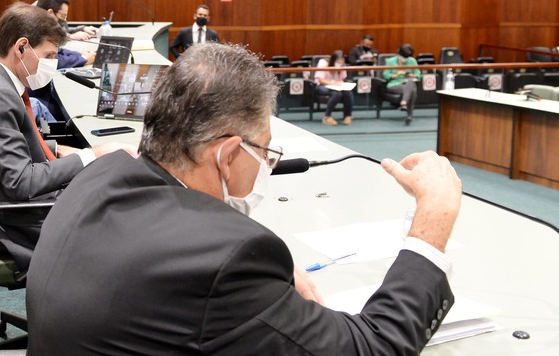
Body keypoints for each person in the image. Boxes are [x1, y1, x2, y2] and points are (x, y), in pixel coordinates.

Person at [27, 42, 462, 354]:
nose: (267, 165)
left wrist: (267, 276)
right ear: (228, 155)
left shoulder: (100, 175)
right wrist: (432, 221)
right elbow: (374, 346)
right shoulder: (224, 262)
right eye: (265, 152)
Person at [0, 2, 135, 270]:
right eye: (48, 55)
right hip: (24, 223)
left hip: (19, 205)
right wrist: (91, 154)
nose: (52, 64)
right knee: (127, 214)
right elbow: (20, 182)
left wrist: (56, 147)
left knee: (110, 183)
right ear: (21, 47)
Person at [35, 0, 95, 70]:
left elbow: (58, 51)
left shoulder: (44, 27)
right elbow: (54, 60)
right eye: (63, 16)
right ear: (50, 13)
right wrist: (83, 59)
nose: (64, 20)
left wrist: (80, 55)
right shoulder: (35, 30)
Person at [383, 43, 421, 126]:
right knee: (412, 90)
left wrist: (411, 75)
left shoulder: (412, 61)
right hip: (394, 84)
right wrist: (397, 74)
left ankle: (404, 102)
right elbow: (385, 75)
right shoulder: (391, 61)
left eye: (406, 58)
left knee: (410, 83)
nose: (405, 60)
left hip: (408, 83)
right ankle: (409, 115)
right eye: (403, 57)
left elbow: (418, 74)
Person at [314, 50, 353, 125]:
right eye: (338, 60)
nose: (340, 62)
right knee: (336, 94)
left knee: (348, 92)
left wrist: (340, 83)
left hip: (336, 86)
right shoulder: (323, 63)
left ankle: (347, 116)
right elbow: (321, 80)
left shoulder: (342, 66)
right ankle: (327, 117)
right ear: (333, 59)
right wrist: (333, 84)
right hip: (322, 86)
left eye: (342, 60)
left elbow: (342, 79)